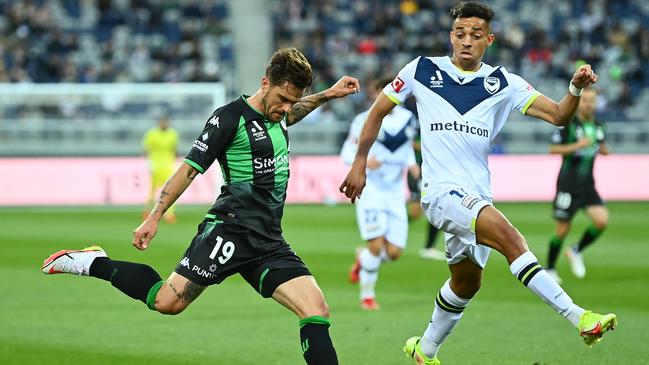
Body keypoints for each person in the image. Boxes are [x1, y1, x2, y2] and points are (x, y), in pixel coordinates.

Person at [41, 48, 360, 365]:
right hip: (229, 231)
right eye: (282, 98)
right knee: (167, 302)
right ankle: (93, 263)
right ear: (265, 83)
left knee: (316, 310)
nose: (286, 107)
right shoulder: (229, 119)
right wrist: (154, 217)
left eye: (292, 100)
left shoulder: (281, 113)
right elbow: (189, 169)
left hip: (268, 241)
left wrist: (329, 94)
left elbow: (295, 111)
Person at [339, 2, 617, 364]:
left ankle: (425, 350)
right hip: (441, 194)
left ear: (489, 39)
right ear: (451, 36)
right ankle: (579, 318)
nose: (466, 41)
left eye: (474, 35)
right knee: (512, 239)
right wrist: (360, 161)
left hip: (477, 192)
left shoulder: (504, 83)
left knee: (466, 283)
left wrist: (574, 88)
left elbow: (559, 116)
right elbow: (377, 110)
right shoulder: (422, 70)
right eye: (459, 34)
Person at [342, 77, 419, 310]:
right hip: (371, 190)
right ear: (376, 93)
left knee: (394, 252)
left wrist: (413, 164)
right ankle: (367, 297)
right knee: (376, 246)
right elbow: (346, 152)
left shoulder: (409, 119)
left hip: (396, 193)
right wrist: (363, 163)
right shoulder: (363, 120)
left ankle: (362, 259)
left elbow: (405, 148)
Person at [546, 88, 609, 284]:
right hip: (568, 184)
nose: (589, 104)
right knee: (562, 229)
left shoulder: (599, 125)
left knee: (601, 221)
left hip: (588, 184)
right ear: (580, 102)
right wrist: (578, 146)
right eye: (586, 100)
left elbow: (600, 145)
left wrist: (604, 150)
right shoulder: (569, 124)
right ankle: (549, 269)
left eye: (592, 100)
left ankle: (576, 249)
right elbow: (554, 149)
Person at [407, 123, 445, 261]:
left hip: (433, 173)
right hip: (417, 173)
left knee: (438, 209)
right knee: (416, 213)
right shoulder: (419, 126)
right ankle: (390, 228)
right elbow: (410, 144)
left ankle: (429, 248)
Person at [142, 115, 179, 223]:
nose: (164, 124)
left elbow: (174, 149)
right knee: (152, 191)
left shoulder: (173, 134)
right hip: (155, 166)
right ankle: (148, 211)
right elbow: (146, 149)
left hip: (168, 166)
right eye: (162, 122)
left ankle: (169, 214)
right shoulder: (152, 134)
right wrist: (148, 163)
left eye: (166, 122)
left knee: (170, 190)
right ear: (159, 123)